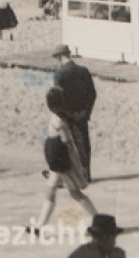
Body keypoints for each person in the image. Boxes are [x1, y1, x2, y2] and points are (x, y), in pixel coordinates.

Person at [34, 87, 99, 232]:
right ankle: (39, 226)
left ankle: (98, 221)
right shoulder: (61, 117)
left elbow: (66, 141)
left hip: (61, 162)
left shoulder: (59, 121)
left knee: (72, 192)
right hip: (58, 161)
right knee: (53, 190)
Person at [51, 44, 97, 179]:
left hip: (67, 115)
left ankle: (69, 177)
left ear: (59, 58)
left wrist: (62, 113)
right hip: (82, 114)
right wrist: (86, 111)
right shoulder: (83, 71)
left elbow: (58, 97)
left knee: (65, 145)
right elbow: (92, 93)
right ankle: (86, 174)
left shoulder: (59, 74)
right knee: (83, 144)